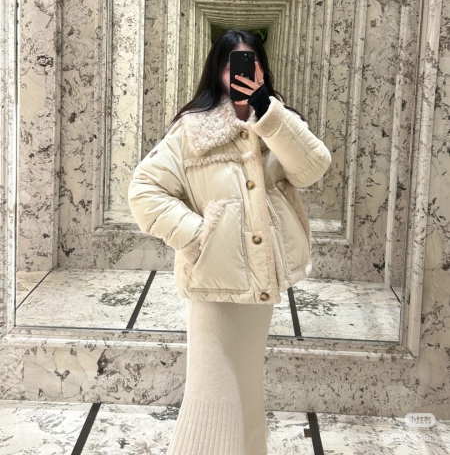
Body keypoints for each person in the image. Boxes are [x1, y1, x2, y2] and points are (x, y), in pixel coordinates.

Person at [128, 29, 332, 455]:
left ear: (261, 68)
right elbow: (144, 190)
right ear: (217, 70)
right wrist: (199, 237)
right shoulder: (193, 129)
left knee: (245, 384)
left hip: (259, 279)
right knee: (212, 393)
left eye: (250, 61)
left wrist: (266, 110)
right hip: (213, 279)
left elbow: (313, 168)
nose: (240, 71)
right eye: (231, 63)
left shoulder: (277, 122)